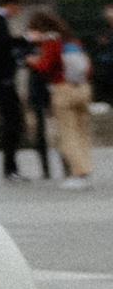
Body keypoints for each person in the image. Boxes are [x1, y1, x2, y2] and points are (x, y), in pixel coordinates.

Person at [0, 0, 31, 179]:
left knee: (14, 122)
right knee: (13, 122)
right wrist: (26, 39)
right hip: (3, 81)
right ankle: (10, 167)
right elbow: (3, 45)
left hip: (4, 80)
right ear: (11, 4)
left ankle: (11, 167)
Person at [25, 7, 65, 180]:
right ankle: (64, 166)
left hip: (43, 87)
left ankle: (48, 168)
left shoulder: (48, 42)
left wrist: (32, 61)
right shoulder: (59, 39)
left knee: (45, 129)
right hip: (51, 87)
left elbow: (44, 66)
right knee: (57, 128)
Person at [54, 28, 95, 186]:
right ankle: (86, 166)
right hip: (83, 88)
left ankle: (77, 172)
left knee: (67, 134)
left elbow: (46, 66)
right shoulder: (75, 45)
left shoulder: (54, 44)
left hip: (64, 88)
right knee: (82, 132)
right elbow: (88, 69)